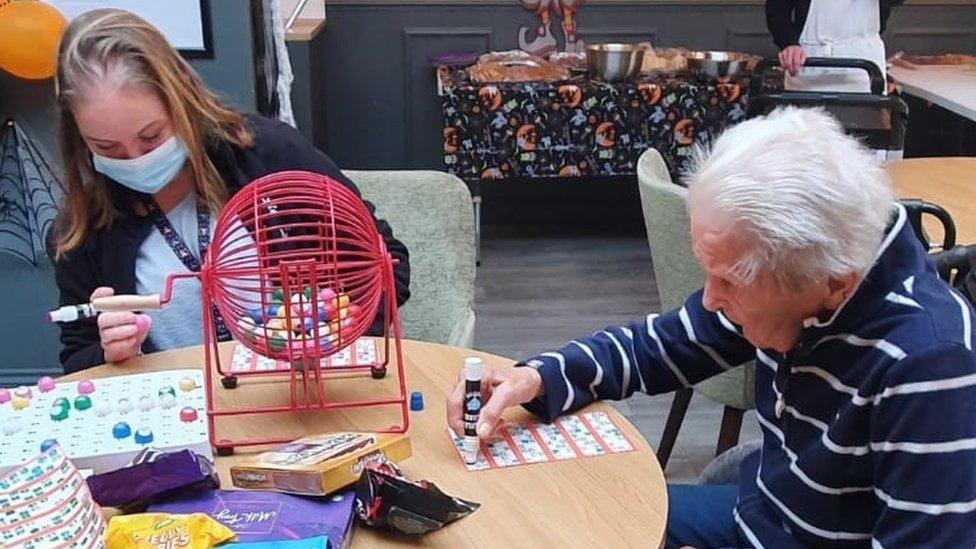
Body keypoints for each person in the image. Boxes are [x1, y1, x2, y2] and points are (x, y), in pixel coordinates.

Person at [447, 107, 976, 547]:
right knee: (575, 518)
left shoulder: (929, 366)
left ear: (830, 280)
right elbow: (658, 347)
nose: (709, 298)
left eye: (728, 279)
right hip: (763, 516)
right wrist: (534, 379)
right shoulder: (801, 280)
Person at [49, 9, 409, 374]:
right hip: (179, 413)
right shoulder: (80, 231)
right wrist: (111, 352)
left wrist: (330, 335)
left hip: (305, 398)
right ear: (79, 140)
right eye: (107, 148)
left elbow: (389, 265)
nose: (136, 160)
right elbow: (77, 358)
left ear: (183, 103)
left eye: (151, 136)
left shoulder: (267, 154)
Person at [766, 0, 906, 92]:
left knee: (864, 132)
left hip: (863, 69)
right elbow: (777, 10)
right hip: (808, 66)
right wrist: (788, 44)